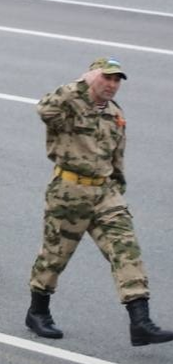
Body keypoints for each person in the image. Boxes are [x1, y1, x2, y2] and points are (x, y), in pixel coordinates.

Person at [25, 58, 173, 347]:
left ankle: (140, 322)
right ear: (93, 78)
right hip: (70, 191)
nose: (112, 85)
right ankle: (37, 312)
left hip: (105, 194)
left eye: (117, 80)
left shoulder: (116, 115)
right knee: (54, 257)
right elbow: (44, 108)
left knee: (126, 250)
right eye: (107, 78)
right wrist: (79, 84)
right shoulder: (70, 106)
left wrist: (116, 188)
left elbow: (116, 157)